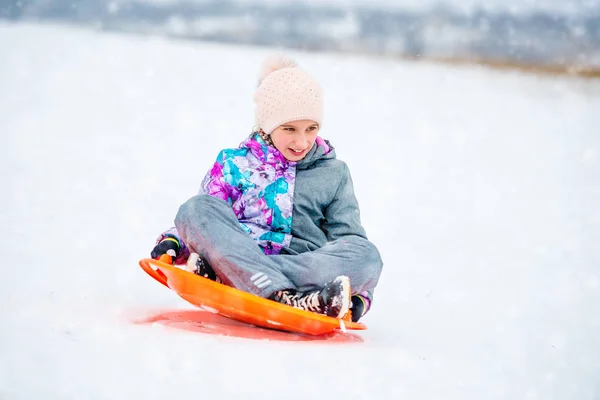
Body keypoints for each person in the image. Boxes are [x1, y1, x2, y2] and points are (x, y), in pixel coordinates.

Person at [151, 55, 383, 322]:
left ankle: (235, 277)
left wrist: (359, 299)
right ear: (267, 126)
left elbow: (349, 241)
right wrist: (173, 241)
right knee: (194, 208)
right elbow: (205, 223)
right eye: (289, 129)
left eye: (311, 128)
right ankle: (284, 292)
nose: (302, 141)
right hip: (243, 248)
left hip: (303, 265)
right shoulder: (235, 162)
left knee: (368, 257)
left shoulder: (334, 173)